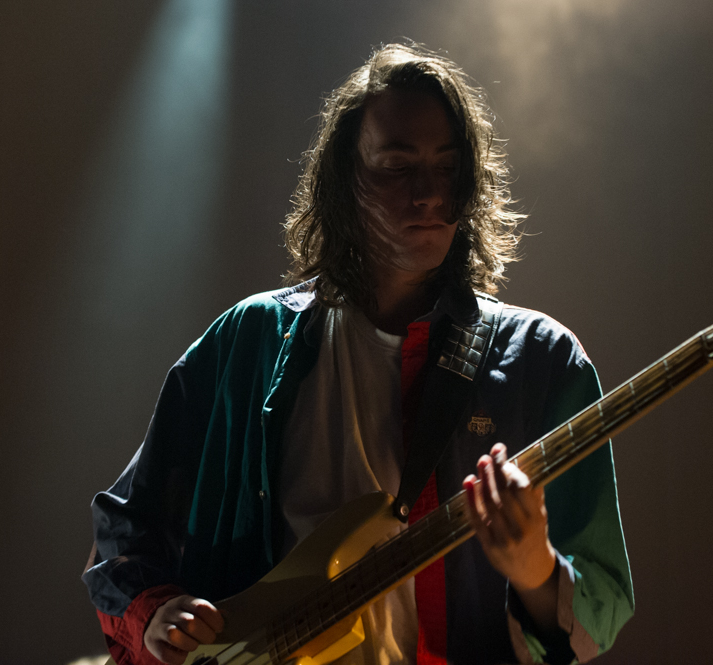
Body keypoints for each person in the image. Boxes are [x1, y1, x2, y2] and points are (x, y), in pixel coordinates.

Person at [82, 43, 634, 665]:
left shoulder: (543, 361)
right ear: (344, 181)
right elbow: (123, 530)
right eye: (397, 167)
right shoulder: (248, 342)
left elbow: (605, 604)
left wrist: (536, 570)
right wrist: (156, 611)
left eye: (448, 168)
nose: (430, 194)